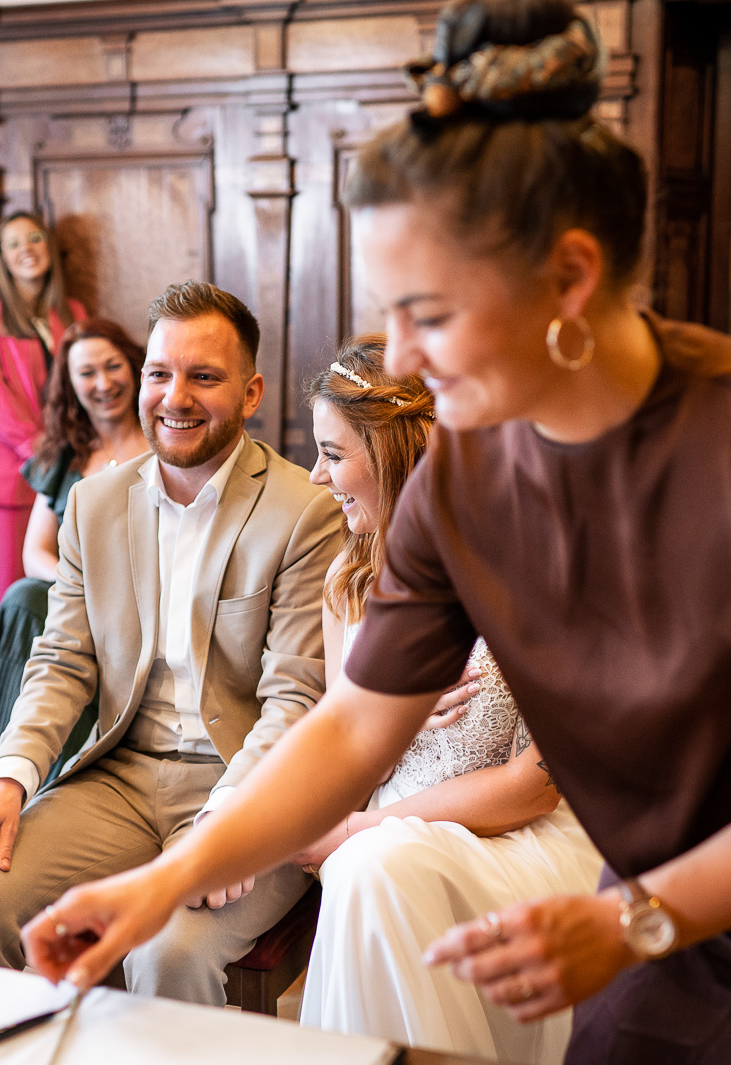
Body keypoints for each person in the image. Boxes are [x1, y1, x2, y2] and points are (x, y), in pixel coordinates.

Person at [17, 6, 731, 1063]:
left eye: (429, 312)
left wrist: (625, 921)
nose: (404, 361)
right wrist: (166, 880)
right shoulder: (461, 478)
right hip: (682, 925)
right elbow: (354, 728)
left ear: (568, 277)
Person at [0, 281, 342, 1007]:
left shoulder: (303, 510)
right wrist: (7, 775)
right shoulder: (93, 502)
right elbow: (61, 661)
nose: (173, 396)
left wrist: (226, 822)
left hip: (250, 789)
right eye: (159, 372)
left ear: (250, 394)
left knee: (168, 953)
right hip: (120, 778)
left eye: (203, 376)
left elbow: (296, 698)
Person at [295, 338, 603, 1063]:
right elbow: (347, 753)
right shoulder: (349, 580)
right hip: (390, 831)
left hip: (518, 841)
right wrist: (388, 725)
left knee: (373, 867)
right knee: (371, 870)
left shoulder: (535, 565)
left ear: (396, 452)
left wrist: (365, 828)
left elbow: (536, 787)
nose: (315, 476)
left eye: (332, 453)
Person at [0, 317, 150, 789]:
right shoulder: (67, 453)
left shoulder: (165, 445)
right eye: (87, 373)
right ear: (71, 384)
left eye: (113, 367)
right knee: (24, 602)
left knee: (27, 602)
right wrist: (81, 586)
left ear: (135, 367)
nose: (103, 383)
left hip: (138, 604)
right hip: (70, 600)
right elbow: (36, 553)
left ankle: (2, 782)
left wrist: (104, 591)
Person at [0, 210, 86, 632]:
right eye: (13, 243)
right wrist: (38, 450)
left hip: (65, 470)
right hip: (8, 472)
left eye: (34, 238)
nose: (26, 249)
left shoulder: (70, 312)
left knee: (56, 594)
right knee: (8, 593)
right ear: (1, 256)